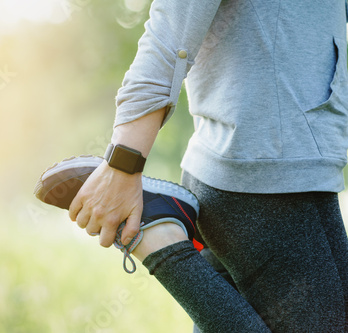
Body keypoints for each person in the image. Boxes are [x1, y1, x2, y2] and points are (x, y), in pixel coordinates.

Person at [67, 0, 348, 331]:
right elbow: (169, 32)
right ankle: (159, 242)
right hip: (269, 176)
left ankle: (163, 243)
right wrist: (122, 164)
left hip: (270, 172)